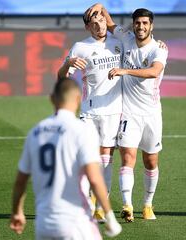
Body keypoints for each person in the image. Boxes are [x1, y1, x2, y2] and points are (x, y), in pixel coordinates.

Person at [10, 77, 122, 239]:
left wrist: (17, 212)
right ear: (78, 99)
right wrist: (110, 217)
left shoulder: (35, 132)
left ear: (51, 99)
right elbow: (95, 178)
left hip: (44, 225)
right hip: (76, 223)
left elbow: (20, 181)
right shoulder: (82, 130)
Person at [86, 4, 168, 222]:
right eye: (137, 23)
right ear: (133, 24)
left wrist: (125, 70)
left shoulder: (158, 49)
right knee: (127, 158)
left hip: (151, 114)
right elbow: (109, 22)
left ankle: (148, 205)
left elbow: (154, 71)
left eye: (145, 23)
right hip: (128, 113)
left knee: (151, 161)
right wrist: (99, 6)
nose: (140, 27)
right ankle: (127, 206)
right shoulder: (126, 38)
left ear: (151, 26)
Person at [57, 7, 123, 222]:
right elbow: (62, 78)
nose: (99, 25)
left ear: (106, 20)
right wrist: (67, 63)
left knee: (107, 160)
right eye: (94, 22)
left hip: (113, 110)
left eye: (101, 20)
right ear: (87, 27)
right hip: (90, 111)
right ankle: (87, 202)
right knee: (88, 158)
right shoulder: (81, 47)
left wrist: (158, 43)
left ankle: (101, 205)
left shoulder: (119, 42)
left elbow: (142, 43)